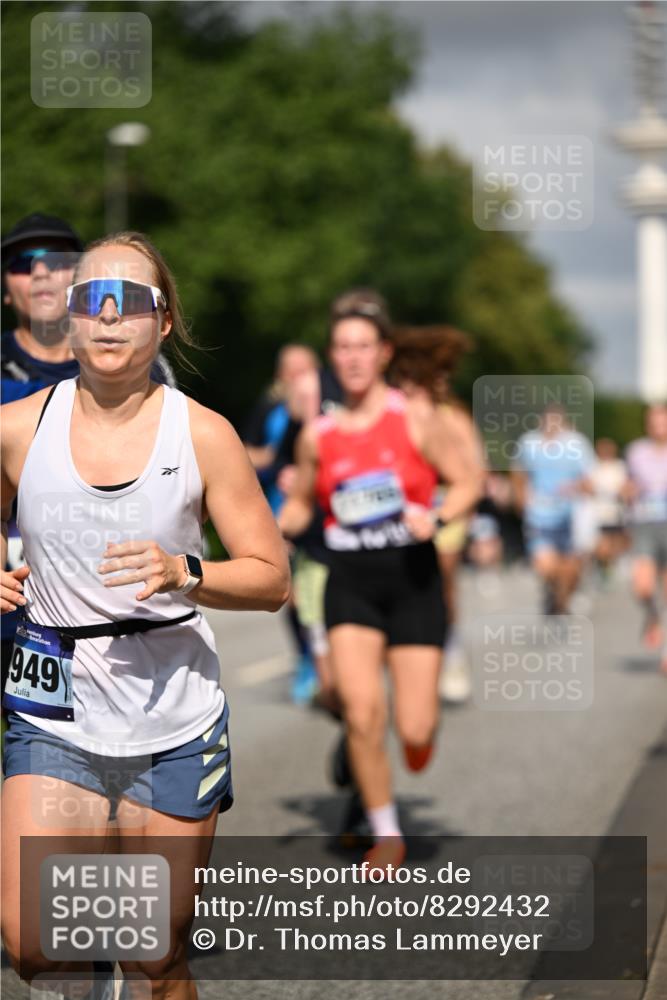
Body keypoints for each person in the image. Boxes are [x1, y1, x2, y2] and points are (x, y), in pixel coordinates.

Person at [0, 231, 290, 999]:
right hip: (54, 709)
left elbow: (271, 579)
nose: (106, 315)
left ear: (162, 322)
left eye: (129, 300)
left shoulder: (202, 434)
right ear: (68, 315)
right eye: (90, 297)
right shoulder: (18, 428)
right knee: (30, 942)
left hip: (172, 718)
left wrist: (182, 571)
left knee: (156, 954)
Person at [278, 289, 482, 873]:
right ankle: (386, 831)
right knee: (363, 711)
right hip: (351, 583)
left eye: (364, 347)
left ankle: (416, 744)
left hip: (413, 581)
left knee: (414, 726)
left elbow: (466, 481)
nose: (353, 358)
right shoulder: (319, 434)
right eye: (342, 348)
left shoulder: (415, 417)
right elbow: (297, 508)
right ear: (332, 357)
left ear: (384, 353)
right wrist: (266, 531)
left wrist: (438, 515)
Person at [1, 214, 176, 726]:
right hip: (13, 608)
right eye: (22, 264)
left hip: (104, 619)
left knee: (99, 779)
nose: (41, 274)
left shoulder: (141, 369)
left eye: (58, 262)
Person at [390, 326, 486, 706]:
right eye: (405, 378)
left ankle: (450, 652)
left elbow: (474, 471)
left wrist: (456, 509)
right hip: (402, 511)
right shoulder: (394, 411)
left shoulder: (453, 417)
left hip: (445, 508)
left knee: (442, 580)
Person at [511, 404, 595, 615]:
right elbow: (518, 474)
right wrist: (521, 500)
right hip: (538, 516)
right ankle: (555, 592)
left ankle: (561, 600)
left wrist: (575, 487)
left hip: (569, 517)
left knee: (570, 568)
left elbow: (589, 481)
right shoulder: (529, 443)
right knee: (544, 565)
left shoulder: (577, 444)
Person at [624, 404, 667, 673]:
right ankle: (652, 615)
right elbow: (628, 484)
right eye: (653, 421)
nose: (658, 426)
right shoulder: (636, 452)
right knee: (642, 586)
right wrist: (627, 491)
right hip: (644, 524)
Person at [590, 438, 628, 584]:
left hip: (617, 512)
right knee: (602, 545)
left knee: (616, 543)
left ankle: (611, 565)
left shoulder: (620, 466)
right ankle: (603, 568)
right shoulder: (593, 467)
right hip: (599, 513)